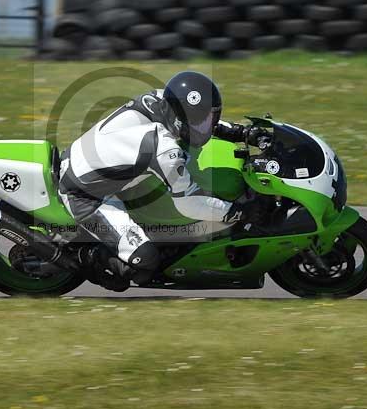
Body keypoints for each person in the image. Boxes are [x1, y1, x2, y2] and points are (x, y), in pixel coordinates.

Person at [57, 70, 268, 291]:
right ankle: (85, 256)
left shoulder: (161, 99)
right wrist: (237, 211)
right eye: (200, 123)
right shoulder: (163, 149)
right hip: (84, 196)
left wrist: (242, 132)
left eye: (210, 118)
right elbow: (189, 203)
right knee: (145, 262)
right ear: (178, 119)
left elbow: (202, 118)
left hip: (90, 164)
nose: (207, 126)